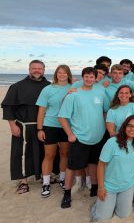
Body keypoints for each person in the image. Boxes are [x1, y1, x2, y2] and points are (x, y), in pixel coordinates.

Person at [58, 67, 107, 208]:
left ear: (96, 77)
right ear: (83, 77)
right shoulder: (74, 94)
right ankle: (67, 193)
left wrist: (103, 127)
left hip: (98, 137)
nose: (89, 79)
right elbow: (62, 116)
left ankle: (94, 188)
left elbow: (105, 111)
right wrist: (70, 134)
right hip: (79, 137)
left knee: (94, 164)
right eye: (87, 76)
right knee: (72, 166)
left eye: (92, 77)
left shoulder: (101, 92)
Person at [1, 60, 51, 194]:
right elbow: (8, 107)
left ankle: (42, 176)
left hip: (43, 126)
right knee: (21, 153)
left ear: (44, 70)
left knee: (43, 152)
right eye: (34, 68)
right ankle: (24, 181)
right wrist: (12, 125)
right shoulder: (17, 86)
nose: (37, 71)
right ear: (29, 69)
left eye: (40, 68)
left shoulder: (49, 86)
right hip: (22, 126)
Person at [90, 115, 134, 222]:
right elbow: (101, 165)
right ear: (124, 127)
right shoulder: (112, 142)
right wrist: (100, 188)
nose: (132, 129)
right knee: (102, 219)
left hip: (127, 186)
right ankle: (97, 206)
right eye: (130, 126)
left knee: (124, 216)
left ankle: (112, 204)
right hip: (109, 186)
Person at [36, 64, 73, 197]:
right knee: (49, 155)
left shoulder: (73, 88)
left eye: (64, 73)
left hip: (67, 126)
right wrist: (39, 129)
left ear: (68, 74)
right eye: (59, 73)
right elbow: (41, 110)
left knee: (65, 153)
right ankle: (46, 183)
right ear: (56, 74)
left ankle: (63, 179)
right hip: (50, 125)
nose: (62, 75)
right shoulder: (47, 89)